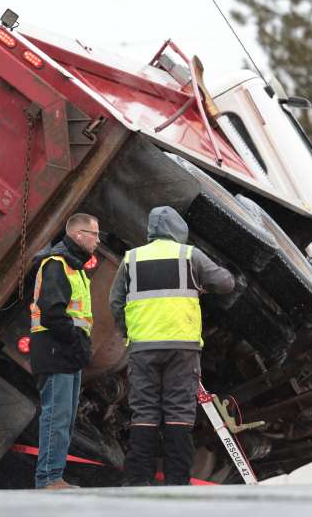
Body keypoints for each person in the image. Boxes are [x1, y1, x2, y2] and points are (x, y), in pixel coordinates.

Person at [110, 206, 236, 486]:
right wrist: (201, 285)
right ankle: (177, 481)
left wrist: (128, 331)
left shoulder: (131, 258)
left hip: (143, 348)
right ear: (179, 230)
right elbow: (226, 283)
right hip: (182, 349)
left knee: (144, 412)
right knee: (178, 412)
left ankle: (137, 480)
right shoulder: (189, 255)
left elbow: (115, 301)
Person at [28, 212, 100, 490]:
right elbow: (52, 314)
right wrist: (75, 339)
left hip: (67, 352)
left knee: (64, 418)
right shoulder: (57, 264)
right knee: (55, 417)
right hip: (56, 350)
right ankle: (48, 479)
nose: (97, 241)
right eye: (94, 235)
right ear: (79, 235)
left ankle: (54, 476)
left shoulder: (75, 267)